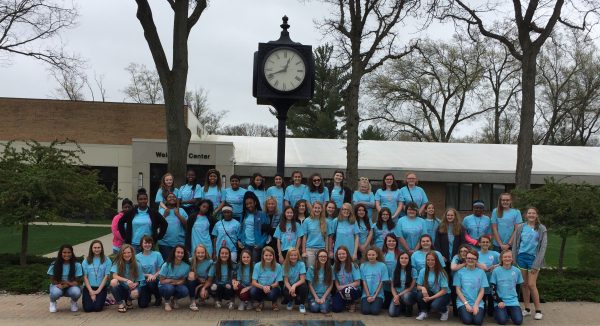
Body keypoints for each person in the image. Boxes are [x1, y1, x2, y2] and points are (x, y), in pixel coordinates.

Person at [512, 207, 547, 321]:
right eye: (529, 213)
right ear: (526, 215)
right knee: (524, 284)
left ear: (537, 215)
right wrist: (514, 258)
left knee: (532, 285)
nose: (531, 215)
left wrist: (536, 264)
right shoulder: (521, 227)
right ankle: (527, 309)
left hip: (534, 259)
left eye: (533, 213)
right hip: (521, 258)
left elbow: (543, 247)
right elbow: (515, 244)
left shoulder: (541, 228)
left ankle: (538, 310)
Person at [118, 188, 167, 253]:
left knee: (148, 262)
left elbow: (164, 223)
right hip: (134, 245)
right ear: (137, 200)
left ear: (147, 200)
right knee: (135, 263)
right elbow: (120, 222)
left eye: (145, 199)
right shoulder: (131, 212)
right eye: (140, 199)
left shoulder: (153, 213)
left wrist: (158, 237)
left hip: (149, 245)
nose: (143, 201)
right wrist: (125, 236)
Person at [454, 249, 489, 325]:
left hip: (477, 302)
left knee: (478, 321)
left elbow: (482, 290)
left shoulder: (481, 272)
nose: (470, 260)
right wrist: (466, 304)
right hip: (463, 302)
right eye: (469, 258)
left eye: (473, 259)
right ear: (466, 259)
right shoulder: (460, 272)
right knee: (468, 321)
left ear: (476, 260)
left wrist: (476, 305)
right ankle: (462, 312)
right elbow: (458, 290)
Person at [110, 244, 147, 312]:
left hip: (132, 287)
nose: (126, 255)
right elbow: (114, 276)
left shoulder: (137, 264)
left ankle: (129, 301)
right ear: (121, 253)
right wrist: (126, 280)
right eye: (124, 253)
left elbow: (140, 280)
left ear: (132, 253)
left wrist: (135, 284)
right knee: (113, 282)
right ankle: (120, 304)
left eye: (129, 252)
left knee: (135, 293)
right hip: (122, 286)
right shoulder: (118, 263)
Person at [491, 250, 524, 325]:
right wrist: (499, 301)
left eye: (509, 257)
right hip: (500, 301)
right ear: (501, 259)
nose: (507, 259)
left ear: (512, 258)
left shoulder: (517, 271)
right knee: (502, 321)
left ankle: (510, 312)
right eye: (505, 257)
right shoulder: (496, 271)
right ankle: (499, 313)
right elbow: (492, 289)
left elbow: (518, 288)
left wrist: (516, 301)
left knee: (518, 321)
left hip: (513, 301)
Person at [415, 252, 451, 321]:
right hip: (432, 293)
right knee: (420, 294)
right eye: (428, 260)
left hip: (444, 294)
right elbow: (418, 286)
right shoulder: (423, 271)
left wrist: (430, 298)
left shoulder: (441, 272)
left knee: (435, 305)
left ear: (436, 261)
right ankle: (424, 312)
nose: (430, 262)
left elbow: (444, 291)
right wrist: (423, 288)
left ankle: (445, 311)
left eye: (432, 260)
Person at [47, 244, 82, 313]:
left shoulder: (77, 265)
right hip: (57, 285)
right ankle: (52, 302)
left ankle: (74, 302)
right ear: (60, 253)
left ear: (72, 253)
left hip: (70, 287)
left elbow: (77, 281)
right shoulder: (54, 264)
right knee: (56, 292)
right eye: (64, 252)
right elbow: (53, 281)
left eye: (69, 252)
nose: (67, 254)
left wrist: (66, 284)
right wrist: (62, 285)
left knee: (77, 292)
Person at [239, 191, 272, 262]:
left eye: (250, 203)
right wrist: (239, 240)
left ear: (255, 203)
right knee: (246, 264)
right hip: (245, 244)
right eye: (247, 204)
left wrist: (261, 243)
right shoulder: (244, 215)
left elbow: (266, 232)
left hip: (256, 246)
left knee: (255, 264)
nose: (249, 205)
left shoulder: (262, 214)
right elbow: (241, 230)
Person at [82, 240, 111, 312]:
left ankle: (103, 299)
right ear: (91, 249)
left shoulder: (107, 260)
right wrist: (91, 291)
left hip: (101, 287)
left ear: (102, 248)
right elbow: (85, 277)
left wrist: (98, 290)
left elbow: (106, 276)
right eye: (95, 247)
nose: (97, 249)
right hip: (88, 287)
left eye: (99, 247)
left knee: (97, 308)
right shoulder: (86, 260)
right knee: (88, 309)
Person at [159, 245, 190, 311]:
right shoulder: (166, 265)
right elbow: (161, 281)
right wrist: (172, 280)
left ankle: (174, 299)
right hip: (164, 286)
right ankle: (167, 302)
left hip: (177, 284)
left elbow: (183, 280)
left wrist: (177, 282)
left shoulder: (186, 266)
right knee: (169, 288)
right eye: (178, 252)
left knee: (185, 291)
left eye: (182, 253)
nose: (180, 254)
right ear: (174, 253)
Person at [251, 246, 283, 311]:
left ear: (273, 256)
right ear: (263, 256)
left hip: (273, 287)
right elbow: (253, 282)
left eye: (270, 255)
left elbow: (277, 283)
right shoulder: (257, 265)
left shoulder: (278, 266)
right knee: (253, 291)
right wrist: (263, 287)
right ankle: (261, 302)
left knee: (272, 295)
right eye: (266, 255)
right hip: (260, 287)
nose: (268, 257)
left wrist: (269, 287)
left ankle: (274, 302)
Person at [360, 246, 389, 315]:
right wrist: (368, 296)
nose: (371, 256)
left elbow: (381, 282)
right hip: (366, 294)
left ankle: (377, 303)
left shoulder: (382, 266)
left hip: (378, 294)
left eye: (373, 255)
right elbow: (364, 282)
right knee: (365, 311)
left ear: (377, 255)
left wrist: (375, 296)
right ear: (366, 256)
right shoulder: (363, 266)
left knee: (374, 311)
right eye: (369, 255)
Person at [158, 192, 188, 260]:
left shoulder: (181, 210)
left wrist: (178, 215)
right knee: (167, 264)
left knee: (179, 263)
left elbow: (187, 226)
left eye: (174, 197)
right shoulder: (161, 211)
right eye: (169, 197)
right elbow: (157, 226)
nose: (172, 198)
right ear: (165, 200)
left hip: (179, 243)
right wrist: (164, 216)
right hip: (164, 243)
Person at [135, 235, 163, 307]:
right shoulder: (137, 257)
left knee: (151, 282)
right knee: (142, 305)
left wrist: (154, 276)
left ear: (152, 244)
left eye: (149, 243)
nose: (147, 245)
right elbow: (137, 273)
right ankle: (148, 295)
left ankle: (158, 297)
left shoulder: (157, 254)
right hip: (143, 282)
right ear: (141, 244)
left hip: (155, 280)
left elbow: (161, 269)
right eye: (145, 243)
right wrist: (148, 275)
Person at [332, 246, 362, 313]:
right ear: (337, 255)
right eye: (339, 254)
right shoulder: (335, 265)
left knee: (347, 290)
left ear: (347, 254)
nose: (341, 256)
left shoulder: (353, 265)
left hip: (353, 290)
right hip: (340, 290)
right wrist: (338, 288)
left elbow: (357, 283)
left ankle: (352, 302)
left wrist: (343, 287)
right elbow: (336, 279)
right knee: (336, 309)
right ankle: (345, 303)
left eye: (343, 254)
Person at [477, 235, 500, 317]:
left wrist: (495, 266)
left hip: (491, 283)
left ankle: (491, 309)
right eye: (483, 242)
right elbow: (469, 262)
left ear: (490, 244)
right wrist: (478, 265)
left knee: (491, 313)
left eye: (487, 242)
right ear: (479, 243)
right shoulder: (476, 254)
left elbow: (504, 261)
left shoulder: (495, 254)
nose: (485, 243)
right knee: (481, 313)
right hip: (480, 285)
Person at [389, 252, 417, 317]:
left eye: (406, 258)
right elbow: (392, 287)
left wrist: (398, 295)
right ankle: (401, 305)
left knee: (406, 296)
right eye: (402, 258)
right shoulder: (394, 270)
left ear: (409, 260)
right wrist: (395, 296)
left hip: (408, 294)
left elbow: (411, 288)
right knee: (393, 313)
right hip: (397, 294)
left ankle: (408, 307)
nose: (404, 260)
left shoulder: (413, 270)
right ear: (399, 260)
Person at [302, 201, 329, 268]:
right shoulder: (307, 221)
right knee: (310, 268)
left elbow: (326, 237)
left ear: (322, 209)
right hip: (310, 249)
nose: (317, 210)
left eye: (319, 208)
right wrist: (304, 251)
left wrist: (326, 250)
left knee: (321, 268)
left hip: (321, 249)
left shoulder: (326, 221)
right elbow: (304, 237)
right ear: (312, 208)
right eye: (315, 208)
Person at [307, 249, 334, 314]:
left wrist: (324, 297)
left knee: (324, 309)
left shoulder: (330, 268)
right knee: (315, 309)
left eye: (325, 256)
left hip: (326, 296)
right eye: (321, 256)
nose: (323, 258)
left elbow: (331, 285)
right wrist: (316, 298)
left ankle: (326, 304)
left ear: (327, 258)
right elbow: (310, 284)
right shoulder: (311, 268)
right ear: (317, 258)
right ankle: (313, 303)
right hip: (314, 296)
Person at [187, 244, 213, 311]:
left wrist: (202, 287)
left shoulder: (209, 262)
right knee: (191, 274)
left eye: (202, 253)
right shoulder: (191, 260)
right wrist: (198, 278)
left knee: (204, 294)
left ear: (205, 252)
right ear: (195, 253)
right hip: (194, 281)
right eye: (198, 253)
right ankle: (192, 301)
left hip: (205, 282)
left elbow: (210, 279)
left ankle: (202, 298)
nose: (200, 255)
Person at [282, 248, 308, 313]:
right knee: (285, 291)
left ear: (298, 256)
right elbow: (286, 281)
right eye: (291, 255)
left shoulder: (301, 264)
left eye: (295, 255)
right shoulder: (285, 265)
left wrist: (294, 285)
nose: (293, 257)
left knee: (304, 287)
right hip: (289, 285)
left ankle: (301, 304)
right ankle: (290, 301)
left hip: (298, 284)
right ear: (288, 256)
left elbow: (302, 280)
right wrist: (291, 289)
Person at [382, 234, 402, 308]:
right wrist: (386, 278)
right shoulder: (382, 254)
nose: (391, 242)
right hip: (385, 283)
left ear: (396, 242)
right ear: (385, 242)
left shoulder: (400, 253)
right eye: (389, 241)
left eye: (393, 241)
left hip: (396, 283)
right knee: (385, 306)